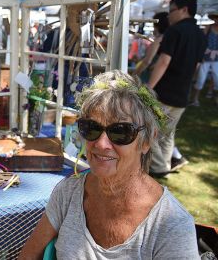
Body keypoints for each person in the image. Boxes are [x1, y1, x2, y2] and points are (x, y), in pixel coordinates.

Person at [18, 70, 199, 259]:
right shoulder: (69, 193)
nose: (101, 144)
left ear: (146, 141)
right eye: (91, 128)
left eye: (120, 132)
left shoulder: (171, 225)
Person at [146, 0, 206, 178]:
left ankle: (158, 168)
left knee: (152, 130)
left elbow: (164, 61)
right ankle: (163, 166)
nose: (169, 16)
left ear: (184, 10)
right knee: (168, 133)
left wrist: (149, 86)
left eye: (171, 11)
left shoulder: (175, 31)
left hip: (164, 91)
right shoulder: (201, 35)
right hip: (182, 93)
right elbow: (196, 66)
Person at [191, 12, 218, 107]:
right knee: (201, 79)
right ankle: (195, 99)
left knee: (217, 79)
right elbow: (201, 41)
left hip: (216, 59)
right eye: (215, 18)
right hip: (205, 58)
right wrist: (201, 54)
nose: (217, 20)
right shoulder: (208, 28)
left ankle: (215, 98)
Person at [134, 12, 169, 82]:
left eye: (154, 25)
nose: (153, 29)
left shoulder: (159, 40)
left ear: (157, 26)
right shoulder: (168, 39)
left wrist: (134, 76)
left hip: (148, 78)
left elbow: (147, 61)